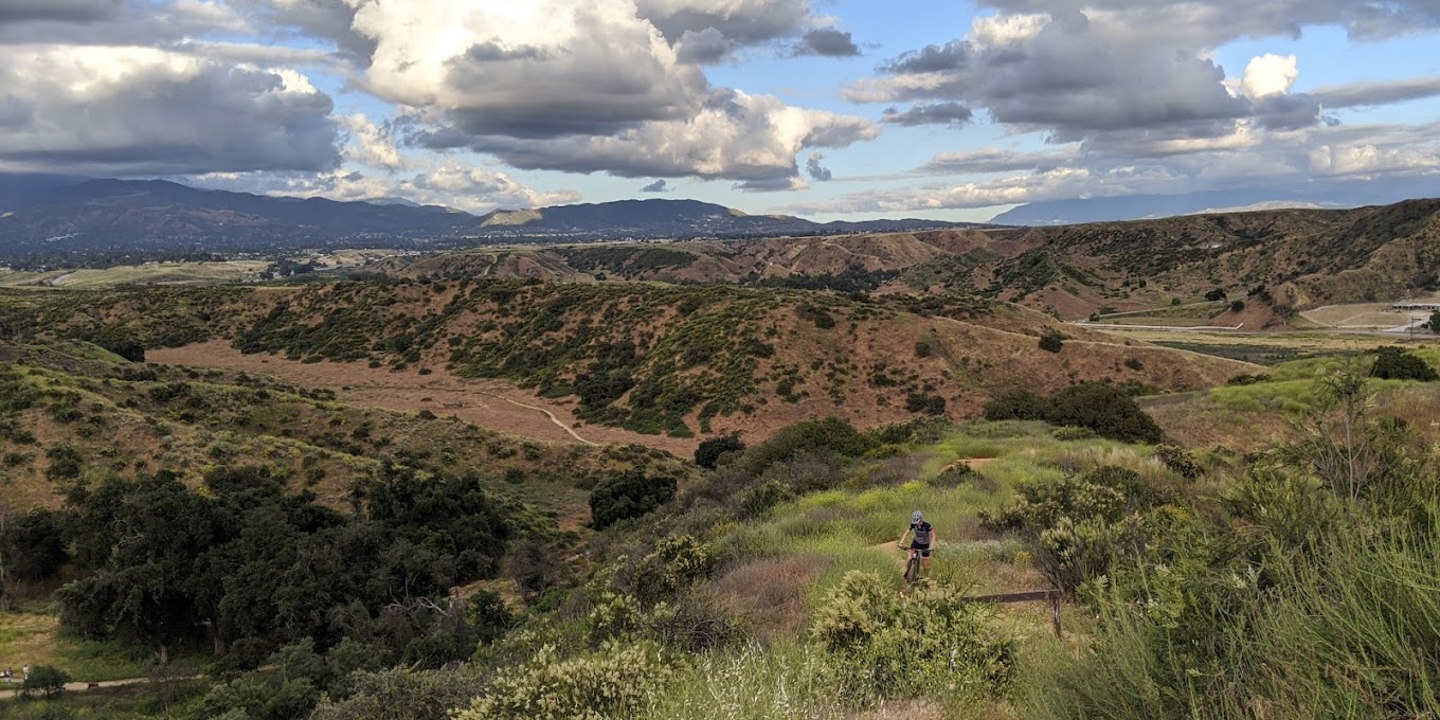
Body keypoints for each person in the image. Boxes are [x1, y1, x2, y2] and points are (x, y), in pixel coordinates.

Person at [899, 510, 936, 577]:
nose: (916, 523)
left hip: (925, 545)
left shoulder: (927, 526)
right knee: (910, 558)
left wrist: (931, 546)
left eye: (917, 521)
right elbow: (906, 533)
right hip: (916, 543)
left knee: (925, 565)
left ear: (921, 519)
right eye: (914, 521)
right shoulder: (913, 525)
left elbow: (933, 536)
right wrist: (901, 542)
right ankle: (908, 571)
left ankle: (926, 578)